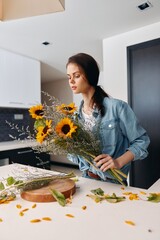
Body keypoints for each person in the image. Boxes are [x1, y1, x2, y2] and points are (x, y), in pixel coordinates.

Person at [66, 52, 150, 184]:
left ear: (90, 76)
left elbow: (142, 141)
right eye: (68, 77)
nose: (71, 81)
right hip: (86, 179)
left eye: (76, 76)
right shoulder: (74, 118)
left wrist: (118, 162)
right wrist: (67, 147)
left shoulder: (117, 107)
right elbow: (75, 156)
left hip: (113, 182)